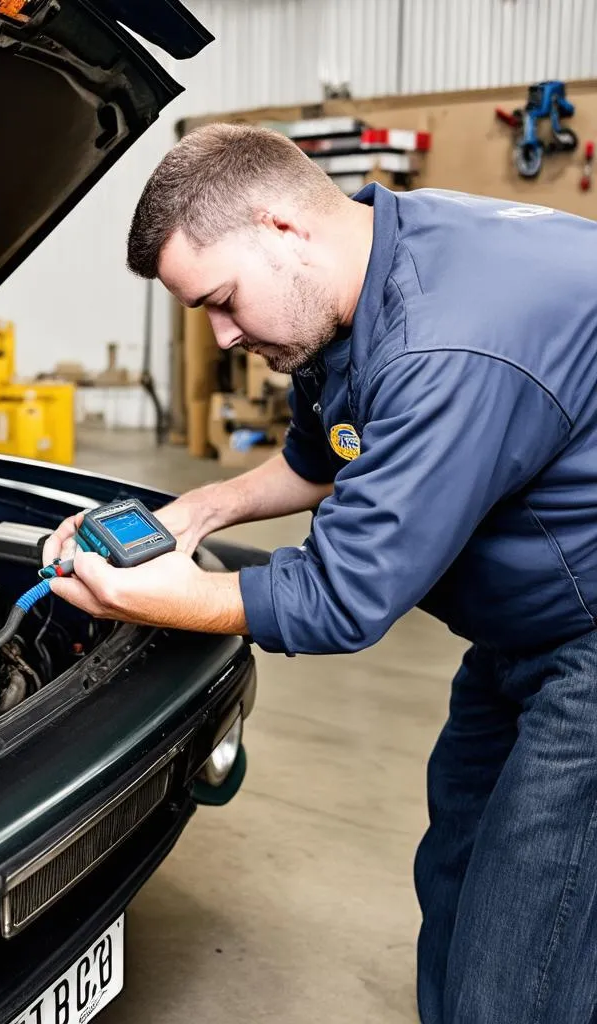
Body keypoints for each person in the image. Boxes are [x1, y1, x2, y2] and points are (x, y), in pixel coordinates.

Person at [41, 123, 597, 1024]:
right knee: (457, 858)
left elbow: (345, 596)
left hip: (588, 639)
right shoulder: (361, 269)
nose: (222, 336)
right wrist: (198, 511)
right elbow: (325, 456)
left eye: (223, 300)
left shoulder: (442, 342)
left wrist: (168, 598)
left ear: (281, 228)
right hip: (520, 630)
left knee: (527, 928)